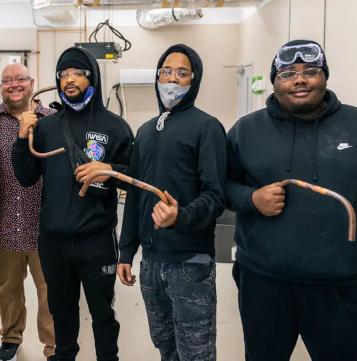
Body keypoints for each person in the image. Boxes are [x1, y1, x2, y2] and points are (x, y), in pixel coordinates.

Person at [226, 39, 357, 361]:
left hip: (344, 284)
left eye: (310, 71)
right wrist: (251, 198)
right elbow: (223, 186)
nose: (300, 79)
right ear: (275, 81)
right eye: (287, 74)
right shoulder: (246, 131)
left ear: (324, 77)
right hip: (265, 281)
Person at [12, 46, 134, 361]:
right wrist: (21, 137)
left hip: (97, 241)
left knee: (103, 315)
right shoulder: (46, 125)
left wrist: (110, 171)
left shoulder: (115, 126)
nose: (70, 80)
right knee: (62, 314)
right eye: (64, 74)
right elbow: (25, 178)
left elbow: (134, 177)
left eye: (78, 73)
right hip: (53, 242)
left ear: (92, 77)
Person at [117, 44, 226, 361]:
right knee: (166, 347)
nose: (172, 79)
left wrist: (182, 216)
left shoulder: (207, 127)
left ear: (194, 80)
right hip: (151, 264)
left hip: (190, 265)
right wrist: (126, 251)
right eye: (166, 71)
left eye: (182, 72)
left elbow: (215, 197)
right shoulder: (147, 131)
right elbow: (136, 195)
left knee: (195, 353)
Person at [0, 63, 56, 361]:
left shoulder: (51, 120)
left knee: (51, 290)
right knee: (7, 289)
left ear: (32, 83)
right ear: (0, 86)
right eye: (7, 80)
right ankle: (11, 336)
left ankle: (53, 345)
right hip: (2, 222)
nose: (14, 85)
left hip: (46, 225)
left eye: (20, 79)